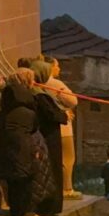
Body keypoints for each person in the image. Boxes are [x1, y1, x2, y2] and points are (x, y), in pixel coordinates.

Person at [0, 69, 42, 216]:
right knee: (23, 184)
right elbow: (34, 128)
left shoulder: (4, 110)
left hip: (7, 148)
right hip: (24, 149)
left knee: (14, 183)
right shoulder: (28, 110)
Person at [31, 60, 68, 216]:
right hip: (48, 137)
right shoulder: (39, 94)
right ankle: (49, 206)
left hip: (46, 136)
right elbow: (52, 114)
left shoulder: (40, 91)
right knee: (50, 171)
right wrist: (64, 115)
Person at [42, 56, 81, 200]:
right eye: (57, 66)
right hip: (63, 128)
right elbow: (72, 100)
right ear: (50, 67)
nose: (59, 69)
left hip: (46, 128)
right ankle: (67, 188)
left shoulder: (38, 84)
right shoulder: (55, 83)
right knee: (67, 159)